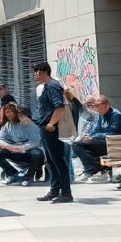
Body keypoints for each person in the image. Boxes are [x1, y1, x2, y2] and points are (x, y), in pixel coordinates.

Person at [32, 62, 71, 203]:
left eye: (36, 71)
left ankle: (66, 192)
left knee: (58, 160)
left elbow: (59, 107)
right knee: (51, 161)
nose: (35, 74)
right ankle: (54, 190)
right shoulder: (47, 86)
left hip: (51, 129)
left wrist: (51, 123)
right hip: (45, 127)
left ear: (44, 71)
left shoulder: (53, 86)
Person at [73, 95, 121, 183]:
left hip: (116, 144)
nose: (96, 108)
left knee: (79, 146)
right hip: (105, 142)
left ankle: (94, 170)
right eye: (95, 105)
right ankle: (99, 170)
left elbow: (112, 132)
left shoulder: (116, 115)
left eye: (98, 105)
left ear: (107, 105)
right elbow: (96, 129)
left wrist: (93, 137)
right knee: (78, 144)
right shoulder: (101, 115)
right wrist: (88, 135)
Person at [0, 104, 45, 185]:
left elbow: (35, 142)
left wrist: (21, 148)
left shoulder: (31, 125)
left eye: (11, 112)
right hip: (16, 151)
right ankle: (13, 175)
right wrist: (9, 147)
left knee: (36, 153)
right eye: (7, 112)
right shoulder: (9, 125)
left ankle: (29, 176)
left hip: (31, 153)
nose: (9, 114)